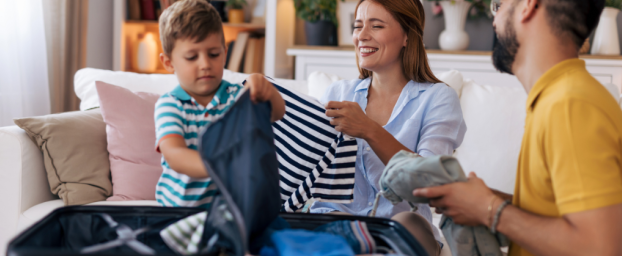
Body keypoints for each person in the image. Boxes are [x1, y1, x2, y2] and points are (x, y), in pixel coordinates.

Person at [413, 0, 622, 255]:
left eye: (498, 5)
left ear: (528, 6)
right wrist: (485, 201)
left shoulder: (570, 105)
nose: (494, 20)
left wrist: (488, 209)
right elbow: (557, 217)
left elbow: (598, 248)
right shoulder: (558, 98)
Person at [309, 0, 467, 255]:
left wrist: (370, 130)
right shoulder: (337, 94)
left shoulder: (438, 98)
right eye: (358, 26)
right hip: (337, 226)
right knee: (329, 221)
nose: (361, 36)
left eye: (377, 26)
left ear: (407, 35)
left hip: (403, 228)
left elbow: (430, 182)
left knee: (405, 222)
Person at [153, 0, 285, 208]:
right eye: (192, 57)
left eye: (213, 54)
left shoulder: (236, 98)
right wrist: (221, 166)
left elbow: (277, 113)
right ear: (169, 63)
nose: (205, 64)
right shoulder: (170, 104)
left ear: (224, 52)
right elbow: (174, 155)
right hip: (179, 213)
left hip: (229, 210)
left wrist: (266, 89)